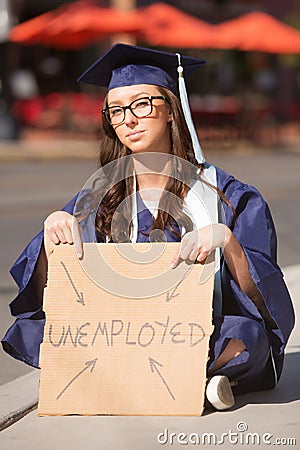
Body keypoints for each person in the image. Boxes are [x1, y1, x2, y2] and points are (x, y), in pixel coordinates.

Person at [2, 44, 294, 411]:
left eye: (142, 103)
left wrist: (228, 242)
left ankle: (148, 376)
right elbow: (49, 293)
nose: (129, 119)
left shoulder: (229, 196)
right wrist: (51, 235)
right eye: (116, 110)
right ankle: (196, 380)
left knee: (247, 337)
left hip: (190, 335)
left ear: (172, 110)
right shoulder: (96, 199)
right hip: (119, 334)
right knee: (35, 333)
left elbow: (265, 305)